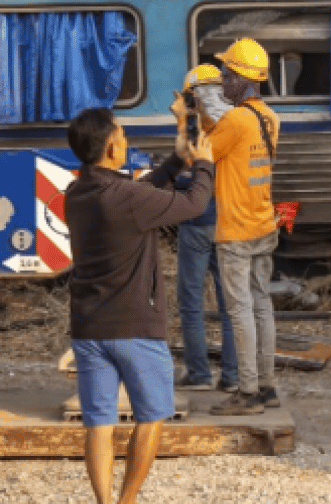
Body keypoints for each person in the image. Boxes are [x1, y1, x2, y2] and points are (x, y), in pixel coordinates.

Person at [65, 107, 213, 504]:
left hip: (89, 328)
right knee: (150, 418)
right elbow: (193, 204)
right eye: (123, 134)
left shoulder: (76, 194)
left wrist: (177, 159)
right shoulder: (128, 198)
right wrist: (204, 165)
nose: (127, 140)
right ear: (112, 146)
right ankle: (127, 501)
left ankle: (103, 502)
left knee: (98, 424)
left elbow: (142, 193)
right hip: (136, 329)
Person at [196, 38, 282, 416]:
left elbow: (203, 153)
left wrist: (194, 111)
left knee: (240, 311)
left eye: (226, 76)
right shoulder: (268, 118)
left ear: (243, 79)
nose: (222, 83)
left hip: (236, 230)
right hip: (264, 224)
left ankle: (247, 393)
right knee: (262, 306)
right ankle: (267, 387)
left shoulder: (234, 120)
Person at [174, 64, 239, 393]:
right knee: (230, 304)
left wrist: (181, 120)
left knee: (191, 301)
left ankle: (199, 374)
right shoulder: (236, 122)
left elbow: (184, 166)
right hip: (227, 219)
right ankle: (232, 376)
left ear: (191, 95)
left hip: (197, 220)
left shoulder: (195, 126)